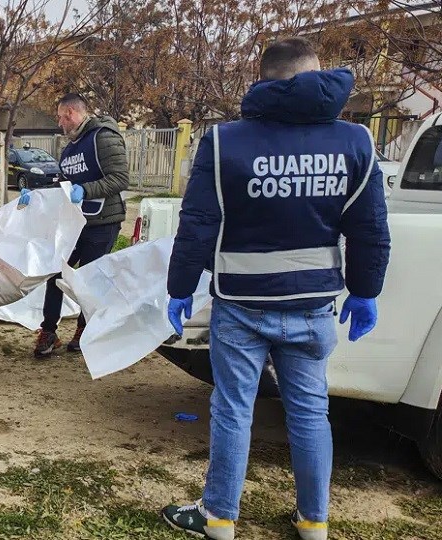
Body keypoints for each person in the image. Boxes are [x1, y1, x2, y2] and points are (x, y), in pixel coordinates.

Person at [162, 38, 391, 540]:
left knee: (233, 408)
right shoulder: (356, 142)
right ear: (315, 76)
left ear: (263, 79)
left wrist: (179, 286)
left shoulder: (226, 142)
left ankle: (219, 517)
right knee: (311, 413)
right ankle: (315, 522)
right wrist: (365, 290)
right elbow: (371, 226)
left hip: (241, 305)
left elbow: (198, 222)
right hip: (313, 304)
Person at [25, 93, 129, 358]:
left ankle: (84, 329)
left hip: (102, 222)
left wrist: (86, 189)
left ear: (71, 113)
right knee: (56, 274)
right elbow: (64, 182)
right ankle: (48, 331)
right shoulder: (70, 147)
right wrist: (38, 194)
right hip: (74, 223)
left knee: (89, 280)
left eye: (61, 117)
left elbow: (120, 178)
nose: (59, 123)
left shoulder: (103, 138)